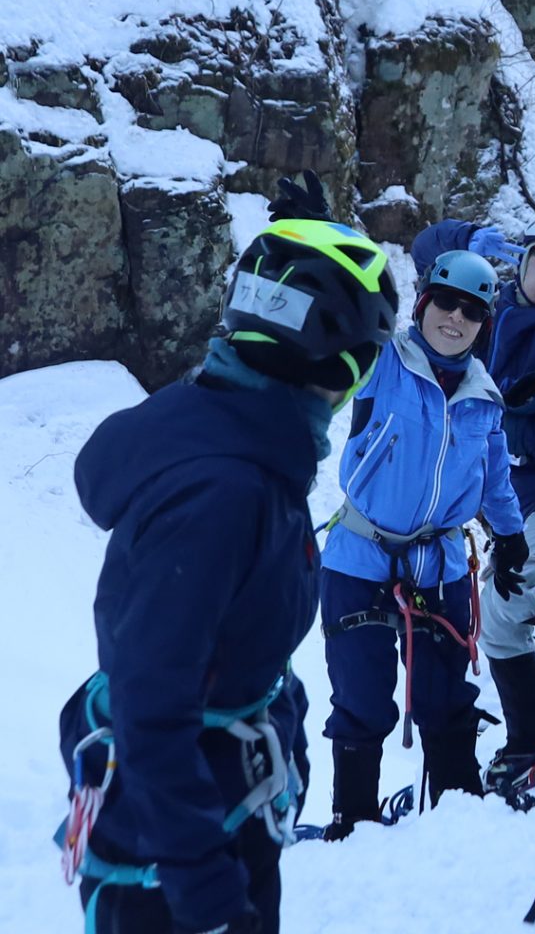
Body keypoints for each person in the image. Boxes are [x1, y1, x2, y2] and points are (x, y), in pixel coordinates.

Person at [58, 213, 399, 934]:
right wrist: (206, 892)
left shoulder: (227, 436)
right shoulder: (225, 493)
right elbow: (152, 703)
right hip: (178, 845)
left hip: (198, 812)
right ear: (339, 368)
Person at [318, 249, 528, 839]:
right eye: (446, 302)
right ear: (423, 303)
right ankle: (352, 822)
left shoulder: (485, 397)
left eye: (473, 311)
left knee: (445, 699)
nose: (456, 319)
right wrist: (307, 235)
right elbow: (342, 308)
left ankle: (457, 823)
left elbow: (494, 477)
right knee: (360, 696)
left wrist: (510, 537)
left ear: (484, 324)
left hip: (439, 565)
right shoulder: (384, 359)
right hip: (360, 553)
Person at [412, 209, 535, 787]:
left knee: (504, 609)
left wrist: (502, 429)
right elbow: (427, 249)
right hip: (521, 501)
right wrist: (470, 239)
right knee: (507, 602)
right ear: (523, 258)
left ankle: (530, 740)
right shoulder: (490, 306)